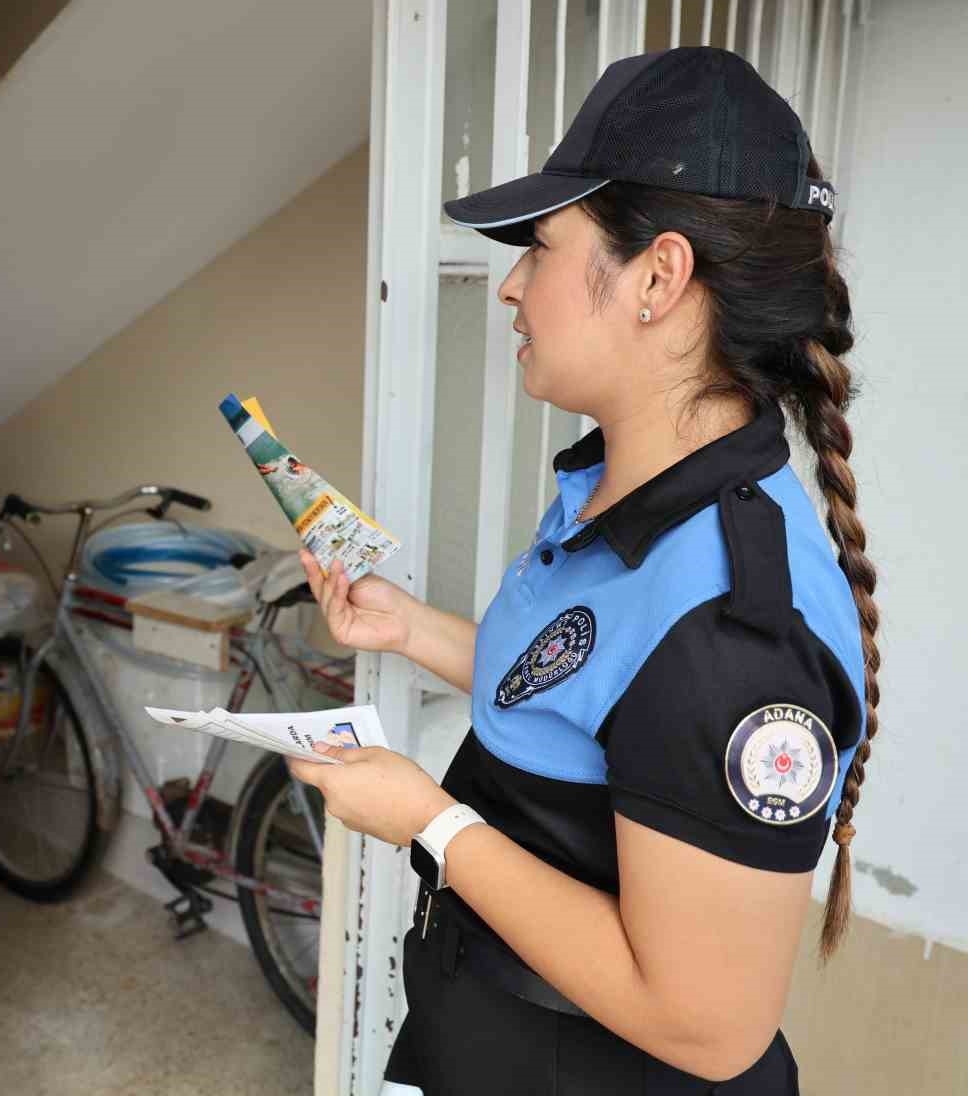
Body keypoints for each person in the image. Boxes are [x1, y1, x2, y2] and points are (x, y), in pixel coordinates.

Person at [289, 47, 876, 1095]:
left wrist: (428, 819)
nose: (510, 283)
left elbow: (708, 1025)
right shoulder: (626, 492)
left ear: (658, 276)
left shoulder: (740, 628)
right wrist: (410, 629)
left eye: (541, 247)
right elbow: (589, 696)